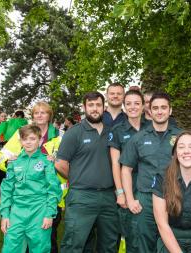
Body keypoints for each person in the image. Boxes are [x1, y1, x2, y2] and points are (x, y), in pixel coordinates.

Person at [0, 102, 67, 253]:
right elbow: (6, 189)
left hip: (40, 211)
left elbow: (53, 188)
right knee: (11, 248)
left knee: (42, 247)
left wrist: (49, 214)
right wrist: (5, 214)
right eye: (25, 139)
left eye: (33, 139)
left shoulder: (53, 148)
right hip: (16, 212)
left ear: (39, 140)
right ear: (20, 141)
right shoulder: (14, 162)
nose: (29, 142)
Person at [56, 91, 119, 253]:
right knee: (74, 244)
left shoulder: (112, 131)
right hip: (81, 197)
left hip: (109, 198)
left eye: (98, 105)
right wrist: (78, 177)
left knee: (109, 244)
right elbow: (60, 163)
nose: (94, 108)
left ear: (104, 107)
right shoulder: (74, 132)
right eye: (90, 105)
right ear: (84, 108)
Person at [120, 92, 182, 253]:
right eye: (155, 108)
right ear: (149, 111)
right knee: (143, 244)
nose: (159, 111)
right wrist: (130, 199)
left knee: (172, 243)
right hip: (145, 199)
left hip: (173, 196)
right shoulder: (138, 138)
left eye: (163, 107)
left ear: (170, 110)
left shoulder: (181, 136)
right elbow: (126, 169)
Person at [110, 89, 146, 253]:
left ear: (143, 106)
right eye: (129, 104)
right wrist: (120, 192)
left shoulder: (152, 127)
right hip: (128, 187)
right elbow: (115, 164)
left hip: (149, 188)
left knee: (151, 234)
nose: (133, 107)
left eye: (137, 103)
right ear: (124, 107)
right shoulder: (117, 131)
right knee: (131, 235)